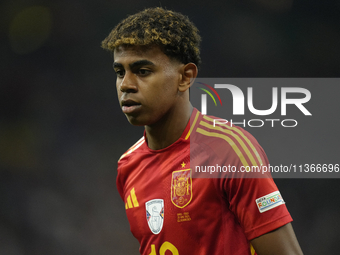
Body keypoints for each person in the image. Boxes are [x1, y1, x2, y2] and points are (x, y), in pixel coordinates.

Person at [102, 7, 303, 255]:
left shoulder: (228, 151)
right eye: (120, 72)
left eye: (143, 71)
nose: (126, 85)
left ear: (185, 77)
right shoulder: (128, 166)